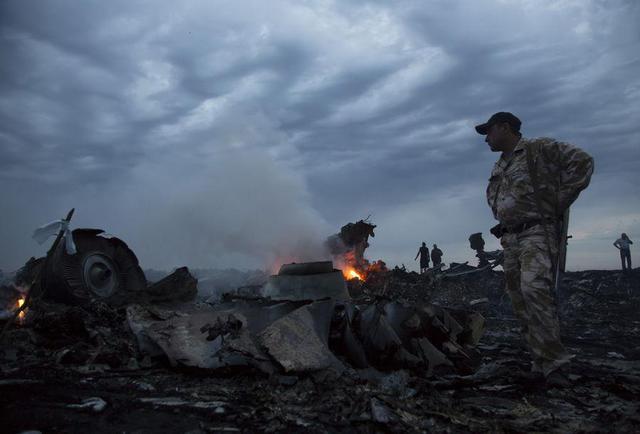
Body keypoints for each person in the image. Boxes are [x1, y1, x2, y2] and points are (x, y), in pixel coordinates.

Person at [477, 111, 594, 386]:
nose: (486, 139)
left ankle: (555, 364)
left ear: (505, 128)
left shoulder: (538, 148)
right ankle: (539, 360)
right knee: (519, 299)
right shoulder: (499, 166)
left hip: (536, 233)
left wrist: (556, 203)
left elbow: (583, 162)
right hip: (511, 239)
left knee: (535, 291)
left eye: (489, 131)